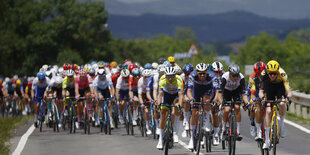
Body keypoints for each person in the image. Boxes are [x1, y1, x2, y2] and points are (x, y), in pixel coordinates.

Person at [258, 60, 292, 149]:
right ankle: (267, 140)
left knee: (281, 103)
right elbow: (261, 91)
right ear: (267, 72)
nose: (272, 75)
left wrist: (288, 98)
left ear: (277, 72)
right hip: (268, 88)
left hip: (279, 87)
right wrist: (262, 98)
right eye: (270, 74)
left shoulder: (282, 74)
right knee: (268, 111)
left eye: (274, 74)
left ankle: (281, 124)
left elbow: (288, 90)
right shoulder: (263, 75)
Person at [187, 63, 220, 148]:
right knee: (195, 112)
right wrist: (190, 98)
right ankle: (192, 137)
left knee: (207, 100)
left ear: (207, 72)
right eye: (200, 73)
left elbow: (217, 91)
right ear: (196, 72)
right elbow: (189, 91)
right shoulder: (192, 75)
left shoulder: (212, 75)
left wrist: (215, 100)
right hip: (196, 90)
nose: (202, 75)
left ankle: (206, 122)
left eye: (204, 73)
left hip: (207, 90)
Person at [218, 64, 249, 141]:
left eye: (237, 75)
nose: (236, 78)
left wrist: (247, 103)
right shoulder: (224, 78)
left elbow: (244, 94)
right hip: (226, 92)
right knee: (227, 109)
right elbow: (219, 94)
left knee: (237, 107)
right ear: (229, 74)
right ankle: (224, 129)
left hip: (236, 91)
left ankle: (238, 131)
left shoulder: (241, 78)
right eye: (234, 76)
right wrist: (222, 103)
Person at [156, 67, 183, 149]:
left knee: (174, 111)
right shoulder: (162, 79)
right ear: (165, 76)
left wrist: (180, 104)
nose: (170, 78)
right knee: (163, 114)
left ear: (175, 75)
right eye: (168, 76)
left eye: (172, 76)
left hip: (175, 95)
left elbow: (181, 95)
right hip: (166, 95)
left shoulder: (179, 80)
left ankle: (174, 133)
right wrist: (159, 104)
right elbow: (160, 95)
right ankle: (160, 139)